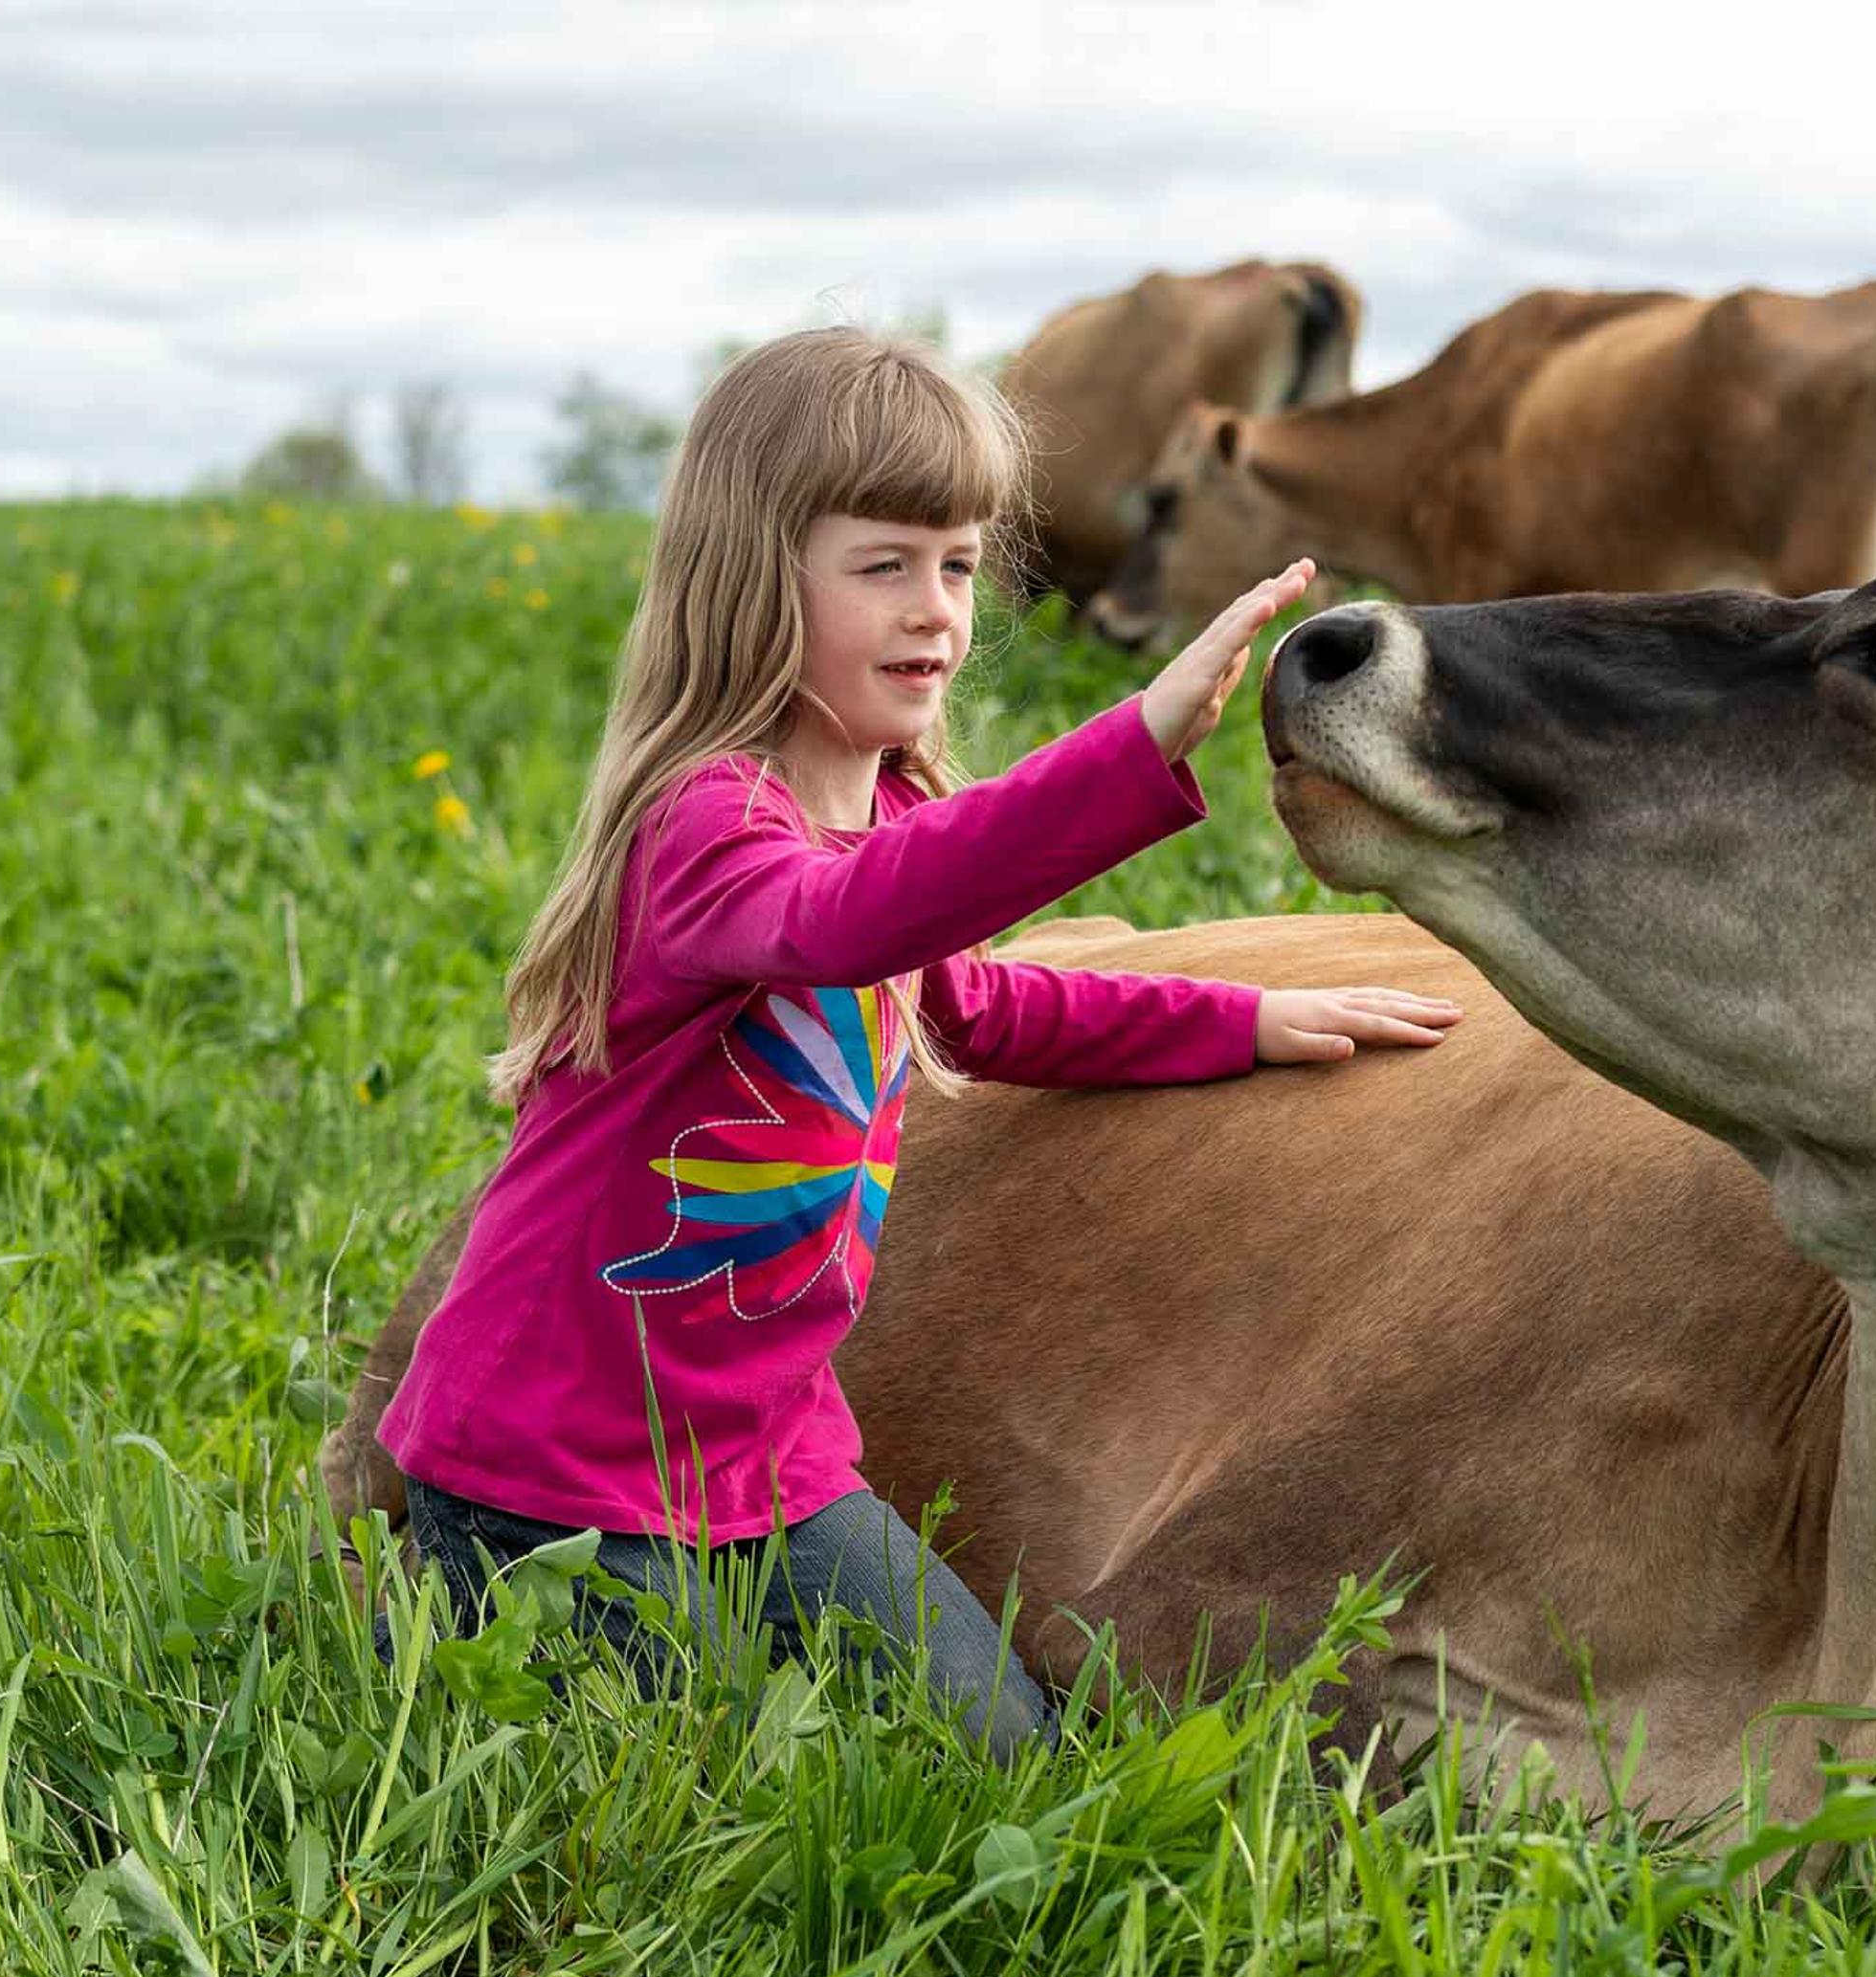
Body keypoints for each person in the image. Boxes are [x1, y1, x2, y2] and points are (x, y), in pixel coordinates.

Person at [378, 326, 1461, 1754]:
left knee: (1001, 1754)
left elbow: (983, 1001)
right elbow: (846, 924)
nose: (935, 609)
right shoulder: (707, 828)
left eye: (956, 565)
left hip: (774, 1456)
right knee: (687, 1776)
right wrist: (1129, 744)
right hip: (555, 1462)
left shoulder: (880, 823)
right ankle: (433, 1587)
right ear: (756, 579)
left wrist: (1249, 1017)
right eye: (882, 564)